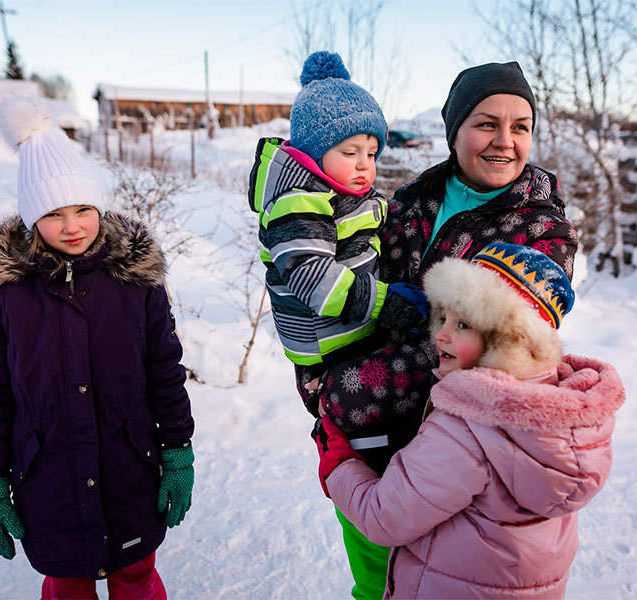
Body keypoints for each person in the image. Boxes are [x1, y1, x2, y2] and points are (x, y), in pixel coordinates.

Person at [300, 61, 580, 598]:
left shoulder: (543, 232)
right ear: (455, 130)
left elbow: (491, 357)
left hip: (459, 463)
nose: (504, 141)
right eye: (486, 123)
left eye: (520, 126)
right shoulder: (408, 202)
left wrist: (340, 395)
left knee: (438, 582)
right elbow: (342, 296)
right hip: (367, 444)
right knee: (374, 583)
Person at [0, 96, 195, 600]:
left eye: (83, 209)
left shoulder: (135, 283)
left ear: (100, 207)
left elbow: (164, 369)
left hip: (128, 468)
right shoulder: (4, 296)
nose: (72, 226)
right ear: (31, 219)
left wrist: (178, 449)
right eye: (53, 213)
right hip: (47, 478)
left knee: (135, 577)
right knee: (67, 583)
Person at [315, 242, 624, 599]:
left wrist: (338, 463)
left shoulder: (468, 428)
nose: (441, 334)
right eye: (442, 318)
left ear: (507, 341)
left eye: (462, 324)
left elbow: (384, 518)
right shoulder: (560, 417)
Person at [248, 51, 427, 600]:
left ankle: (398, 560)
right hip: (328, 360)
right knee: (368, 462)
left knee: (392, 458)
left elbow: (376, 227)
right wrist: (382, 305)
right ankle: (377, 576)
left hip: (355, 347)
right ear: (310, 150)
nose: (365, 163)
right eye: (350, 151)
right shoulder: (297, 199)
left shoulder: (345, 191)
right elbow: (308, 273)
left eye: (372, 151)